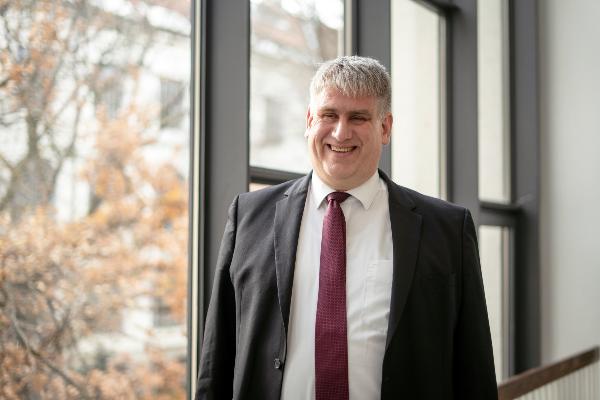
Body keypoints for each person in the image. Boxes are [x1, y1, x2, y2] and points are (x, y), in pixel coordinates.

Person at [195, 56, 498, 400]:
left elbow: (474, 369)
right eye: (329, 115)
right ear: (309, 121)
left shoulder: (447, 229)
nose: (340, 132)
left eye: (358, 117)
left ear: (385, 128)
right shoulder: (249, 216)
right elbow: (217, 357)